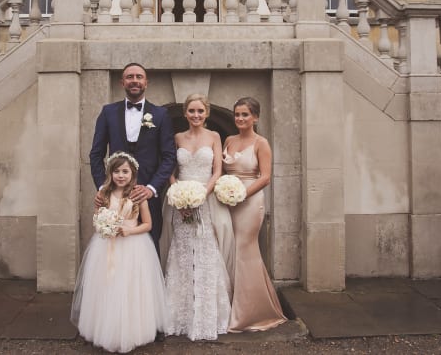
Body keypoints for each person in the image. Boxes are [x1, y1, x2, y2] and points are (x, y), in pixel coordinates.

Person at [71, 151, 168, 353]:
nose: (121, 175)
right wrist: (104, 227)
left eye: (125, 171)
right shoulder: (103, 194)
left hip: (134, 246)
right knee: (108, 286)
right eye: (117, 171)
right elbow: (96, 219)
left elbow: (148, 224)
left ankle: (134, 330)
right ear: (110, 173)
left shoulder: (137, 196)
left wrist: (129, 230)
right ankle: (106, 328)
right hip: (106, 245)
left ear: (132, 174)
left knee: (130, 287)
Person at [89, 63, 177, 255]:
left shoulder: (160, 115)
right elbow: (96, 154)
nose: (134, 81)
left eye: (139, 77)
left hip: (146, 196)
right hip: (114, 196)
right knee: (111, 248)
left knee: (149, 248)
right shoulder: (108, 112)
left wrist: (151, 188)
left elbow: (169, 157)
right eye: (130, 77)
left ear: (146, 82)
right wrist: (103, 188)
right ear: (122, 82)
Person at [164, 94, 231, 340]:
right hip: (180, 203)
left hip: (205, 199)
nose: (196, 115)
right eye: (191, 111)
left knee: (205, 252)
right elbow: (171, 170)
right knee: (181, 252)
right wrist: (178, 193)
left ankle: (205, 318)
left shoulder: (214, 137)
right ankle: (180, 317)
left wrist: (201, 194)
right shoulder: (177, 137)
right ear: (185, 113)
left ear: (207, 113)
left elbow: (217, 170)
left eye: (200, 111)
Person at [222, 97, 287, 333]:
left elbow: (265, 177)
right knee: (228, 248)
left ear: (255, 117)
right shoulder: (228, 140)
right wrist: (224, 191)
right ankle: (228, 307)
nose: (240, 119)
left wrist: (240, 194)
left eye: (245, 115)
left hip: (249, 202)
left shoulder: (261, 143)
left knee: (244, 250)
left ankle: (250, 314)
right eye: (237, 114)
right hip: (227, 201)